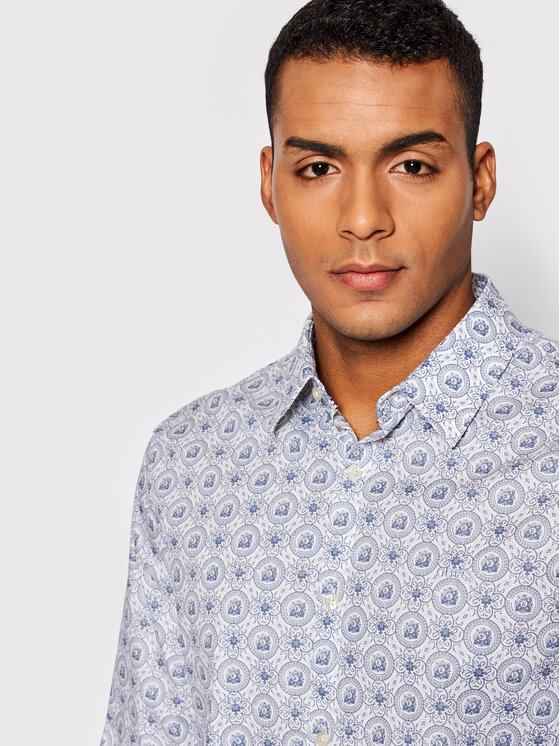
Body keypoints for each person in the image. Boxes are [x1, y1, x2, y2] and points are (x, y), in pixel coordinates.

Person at [100, 0, 558, 743]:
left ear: (479, 182)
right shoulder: (189, 466)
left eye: (411, 166)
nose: (363, 218)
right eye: (318, 168)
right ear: (269, 183)